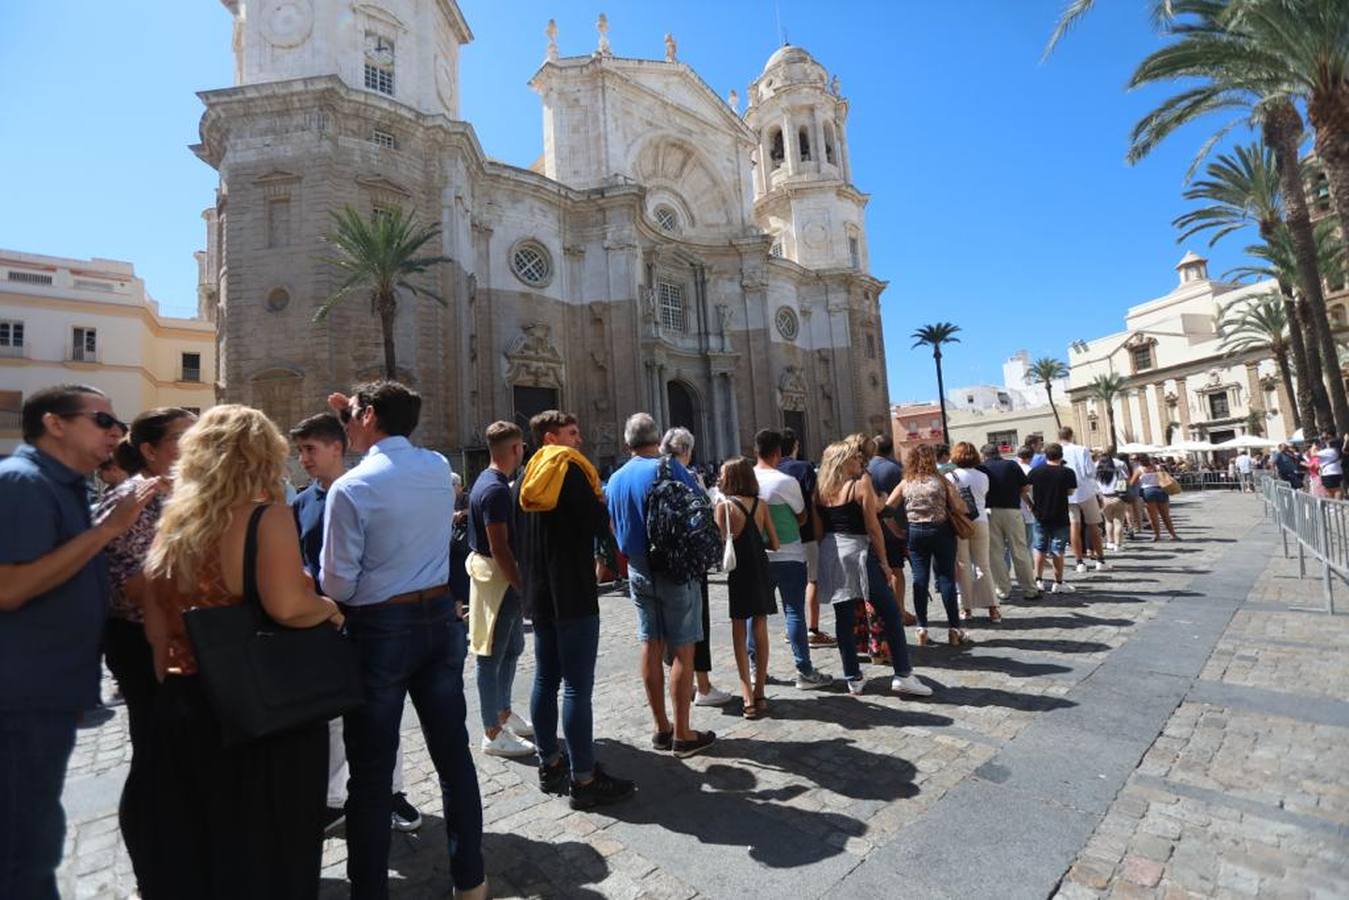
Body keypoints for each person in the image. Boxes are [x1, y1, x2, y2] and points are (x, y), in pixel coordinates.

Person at [140, 404, 343, 898]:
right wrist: (331, 608)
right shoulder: (264, 517)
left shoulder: (171, 524)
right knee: (275, 849)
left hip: (186, 700)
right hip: (261, 708)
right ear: (260, 457)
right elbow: (289, 607)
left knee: (208, 843)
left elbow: (154, 626)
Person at [321, 382, 484, 899]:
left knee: (369, 778)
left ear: (368, 416)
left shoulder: (350, 488)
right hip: (439, 620)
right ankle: (471, 881)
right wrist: (358, 409)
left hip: (379, 631)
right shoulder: (438, 467)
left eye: (352, 417)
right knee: (454, 760)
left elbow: (337, 584)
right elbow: (390, 441)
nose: (344, 424)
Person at [0, 385, 154, 900]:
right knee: (25, 848)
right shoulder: (22, 483)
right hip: (22, 698)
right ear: (55, 424)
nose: (117, 431)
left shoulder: (65, 485)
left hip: (49, 693)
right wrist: (110, 529)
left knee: (33, 837)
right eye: (104, 420)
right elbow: (11, 587)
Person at [288, 412, 421, 834]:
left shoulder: (365, 491)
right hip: (322, 624)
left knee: (384, 709)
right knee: (331, 717)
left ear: (336, 448)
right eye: (300, 451)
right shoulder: (300, 504)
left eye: (311, 450)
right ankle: (332, 798)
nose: (304, 459)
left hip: (369, 618)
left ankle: (392, 791)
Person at [95, 406, 195, 889]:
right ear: (151, 451)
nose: (195, 443)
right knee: (156, 759)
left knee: (177, 756)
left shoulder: (182, 497)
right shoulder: (136, 499)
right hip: (142, 644)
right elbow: (130, 586)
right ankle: (158, 870)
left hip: (179, 640)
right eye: (182, 436)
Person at [517, 410, 635, 808]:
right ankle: (584, 778)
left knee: (545, 679)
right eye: (573, 432)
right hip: (572, 592)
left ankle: (549, 762)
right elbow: (599, 525)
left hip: (540, 593)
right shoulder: (569, 471)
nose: (579, 440)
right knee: (576, 687)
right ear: (551, 437)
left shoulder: (526, 475)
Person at [607, 413, 716, 759]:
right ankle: (683, 734)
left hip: (638, 571)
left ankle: (660, 728)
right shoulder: (670, 469)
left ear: (628, 444)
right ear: (659, 441)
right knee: (684, 648)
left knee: (650, 644)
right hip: (674, 569)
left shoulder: (616, 479)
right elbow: (698, 512)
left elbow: (612, 526)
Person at [817, 439, 932, 696]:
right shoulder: (860, 484)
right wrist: (884, 562)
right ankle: (903, 673)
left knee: (843, 617)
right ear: (845, 461)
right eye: (855, 458)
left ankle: (853, 677)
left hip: (831, 550)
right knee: (890, 611)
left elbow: (818, 528)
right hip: (858, 551)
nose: (860, 462)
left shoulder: (822, 488)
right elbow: (872, 526)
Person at [467, 421, 536, 758]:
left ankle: (504, 712)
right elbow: (500, 547)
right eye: (522, 446)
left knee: (512, 648)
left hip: (500, 576)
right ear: (514, 449)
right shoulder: (494, 490)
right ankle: (492, 731)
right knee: (491, 654)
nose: (523, 451)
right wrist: (521, 584)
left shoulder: (489, 481)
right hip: (499, 579)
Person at [753, 429, 833, 689]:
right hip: (789, 555)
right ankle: (804, 671)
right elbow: (801, 515)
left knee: (756, 615)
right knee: (794, 612)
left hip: (758, 558)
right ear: (777, 453)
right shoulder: (785, 481)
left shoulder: (747, 480)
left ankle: (756, 670)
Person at [660, 426, 734, 707]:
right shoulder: (686, 476)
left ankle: (683, 684)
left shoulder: (653, 473)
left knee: (668, 631)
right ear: (687, 451)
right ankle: (702, 686)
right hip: (689, 564)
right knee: (695, 628)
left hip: (657, 564)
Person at [886, 444, 970, 647]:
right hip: (941, 530)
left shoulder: (906, 482)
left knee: (919, 579)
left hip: (915, 532)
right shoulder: (940, 480)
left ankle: (922, 627)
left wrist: (897, 530)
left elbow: (887, 509)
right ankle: (954, 629)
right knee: (947, 578)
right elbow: (959, 506)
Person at [714, 458, 779, 717]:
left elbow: (721, 543)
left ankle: (747, 696)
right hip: (761, 569)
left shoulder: (724, 507)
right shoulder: (761, 505)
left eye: (722, 474)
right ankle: (760, 691)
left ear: (731, 477)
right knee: (760, 628)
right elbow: (774, 543)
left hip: (739, 572)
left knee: (739, 632)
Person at [779, 427, 837, 647]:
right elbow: (815, 501)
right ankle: (812, 629)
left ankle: (790, 627)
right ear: (795, 446)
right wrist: (820, 529)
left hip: (781, 537)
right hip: (807, 534)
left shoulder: (772, 470)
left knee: (789, 584)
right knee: (812, 580)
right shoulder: (803, 468)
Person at [866, 434, 916, 625]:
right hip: (892, 530)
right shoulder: (895, 469)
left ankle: (883, 612)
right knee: (896, 571)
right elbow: (895, 505)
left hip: (872, 529)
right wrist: (898, 530)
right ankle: (899, 612)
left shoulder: (865, 469)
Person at [947, 442, 1000, 622]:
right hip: (981, 521)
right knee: (983, 565)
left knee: (963, 565)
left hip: (960, 524)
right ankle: (993, 608)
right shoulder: (983, 476)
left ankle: (966, 608)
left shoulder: (950, 477)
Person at [980, 443, 1039, 602]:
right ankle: (1029, 589)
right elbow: (1026, 487)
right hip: (1012, 511)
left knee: (995, 553)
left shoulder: (982, 468)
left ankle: (1003, 590)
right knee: (1020, 550)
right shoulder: (1011, 465)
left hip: (990, 512)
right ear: (998, 453)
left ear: (984, 455)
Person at [1028, 443, 1078, 594]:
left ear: (1046, 455)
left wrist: (1031, 505)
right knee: (1058, 549)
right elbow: (1071, 492)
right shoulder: (1067, 472)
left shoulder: (1035, 472)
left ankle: (1038, 580)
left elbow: (1025, 490)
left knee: (1039, 548)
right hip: (1060, 513)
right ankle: (1058, 582)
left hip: (1040, 514)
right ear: (1061, 455)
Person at [1058, 427, 1106, 573]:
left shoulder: (1057, 451)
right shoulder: (1082, 449)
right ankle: (1100, 560)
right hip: (1085, 490)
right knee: (1093, 525)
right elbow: (1090, 472)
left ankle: (1079, 561)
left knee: (1074, 526)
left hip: (1068, 494)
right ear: (1072, 435)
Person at [1130, 454, 1180, 541]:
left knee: (1153, 516)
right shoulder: (1158, 467)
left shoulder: (1139, 470)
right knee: (1165, 515)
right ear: (1149, 459)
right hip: (1161, 490)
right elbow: (1166, 477)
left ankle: (1157, 535)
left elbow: (1132, 483)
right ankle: (1173, 534)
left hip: (1148, 492)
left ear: (1140, 461)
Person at [1098, 448, 1131, 552]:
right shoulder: (1118, 471)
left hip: (1104, 498)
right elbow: (1126, 481)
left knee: (1108, 521)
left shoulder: (1098, 473)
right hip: (1117, 497)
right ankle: (1118, 544)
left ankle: (1110, 542)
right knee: (1118, 521)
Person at [1315, 434, 1342, 500]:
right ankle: (1335, 504)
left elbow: (1313, 453)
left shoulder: (1328, 451)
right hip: (1336, 472)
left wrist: (1314, 445)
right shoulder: (1335, 450)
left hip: (1329, 473)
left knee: (1332, 489)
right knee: (1335, 488)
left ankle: (1335, 504)